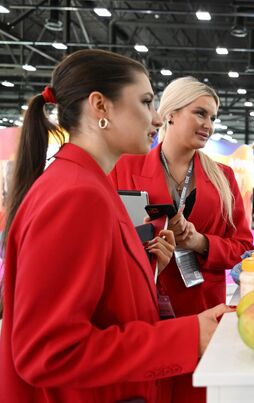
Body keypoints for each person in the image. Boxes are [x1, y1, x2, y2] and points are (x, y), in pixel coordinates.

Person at [0, 49, 232, 403]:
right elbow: (50, 352)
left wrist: (148, 266)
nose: (156, 118)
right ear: (100, 107)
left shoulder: (86, 183)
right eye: (145, 101)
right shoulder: (77, 195)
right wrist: (189, 336)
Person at [109, 76, 254, 402]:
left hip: (201, 309)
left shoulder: (224, 177)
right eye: (200, 113)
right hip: (142, 307)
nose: (209, 125)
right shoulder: (124, 166)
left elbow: (245, 249)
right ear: (170, 113)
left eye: (213, 118)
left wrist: (200, 242)